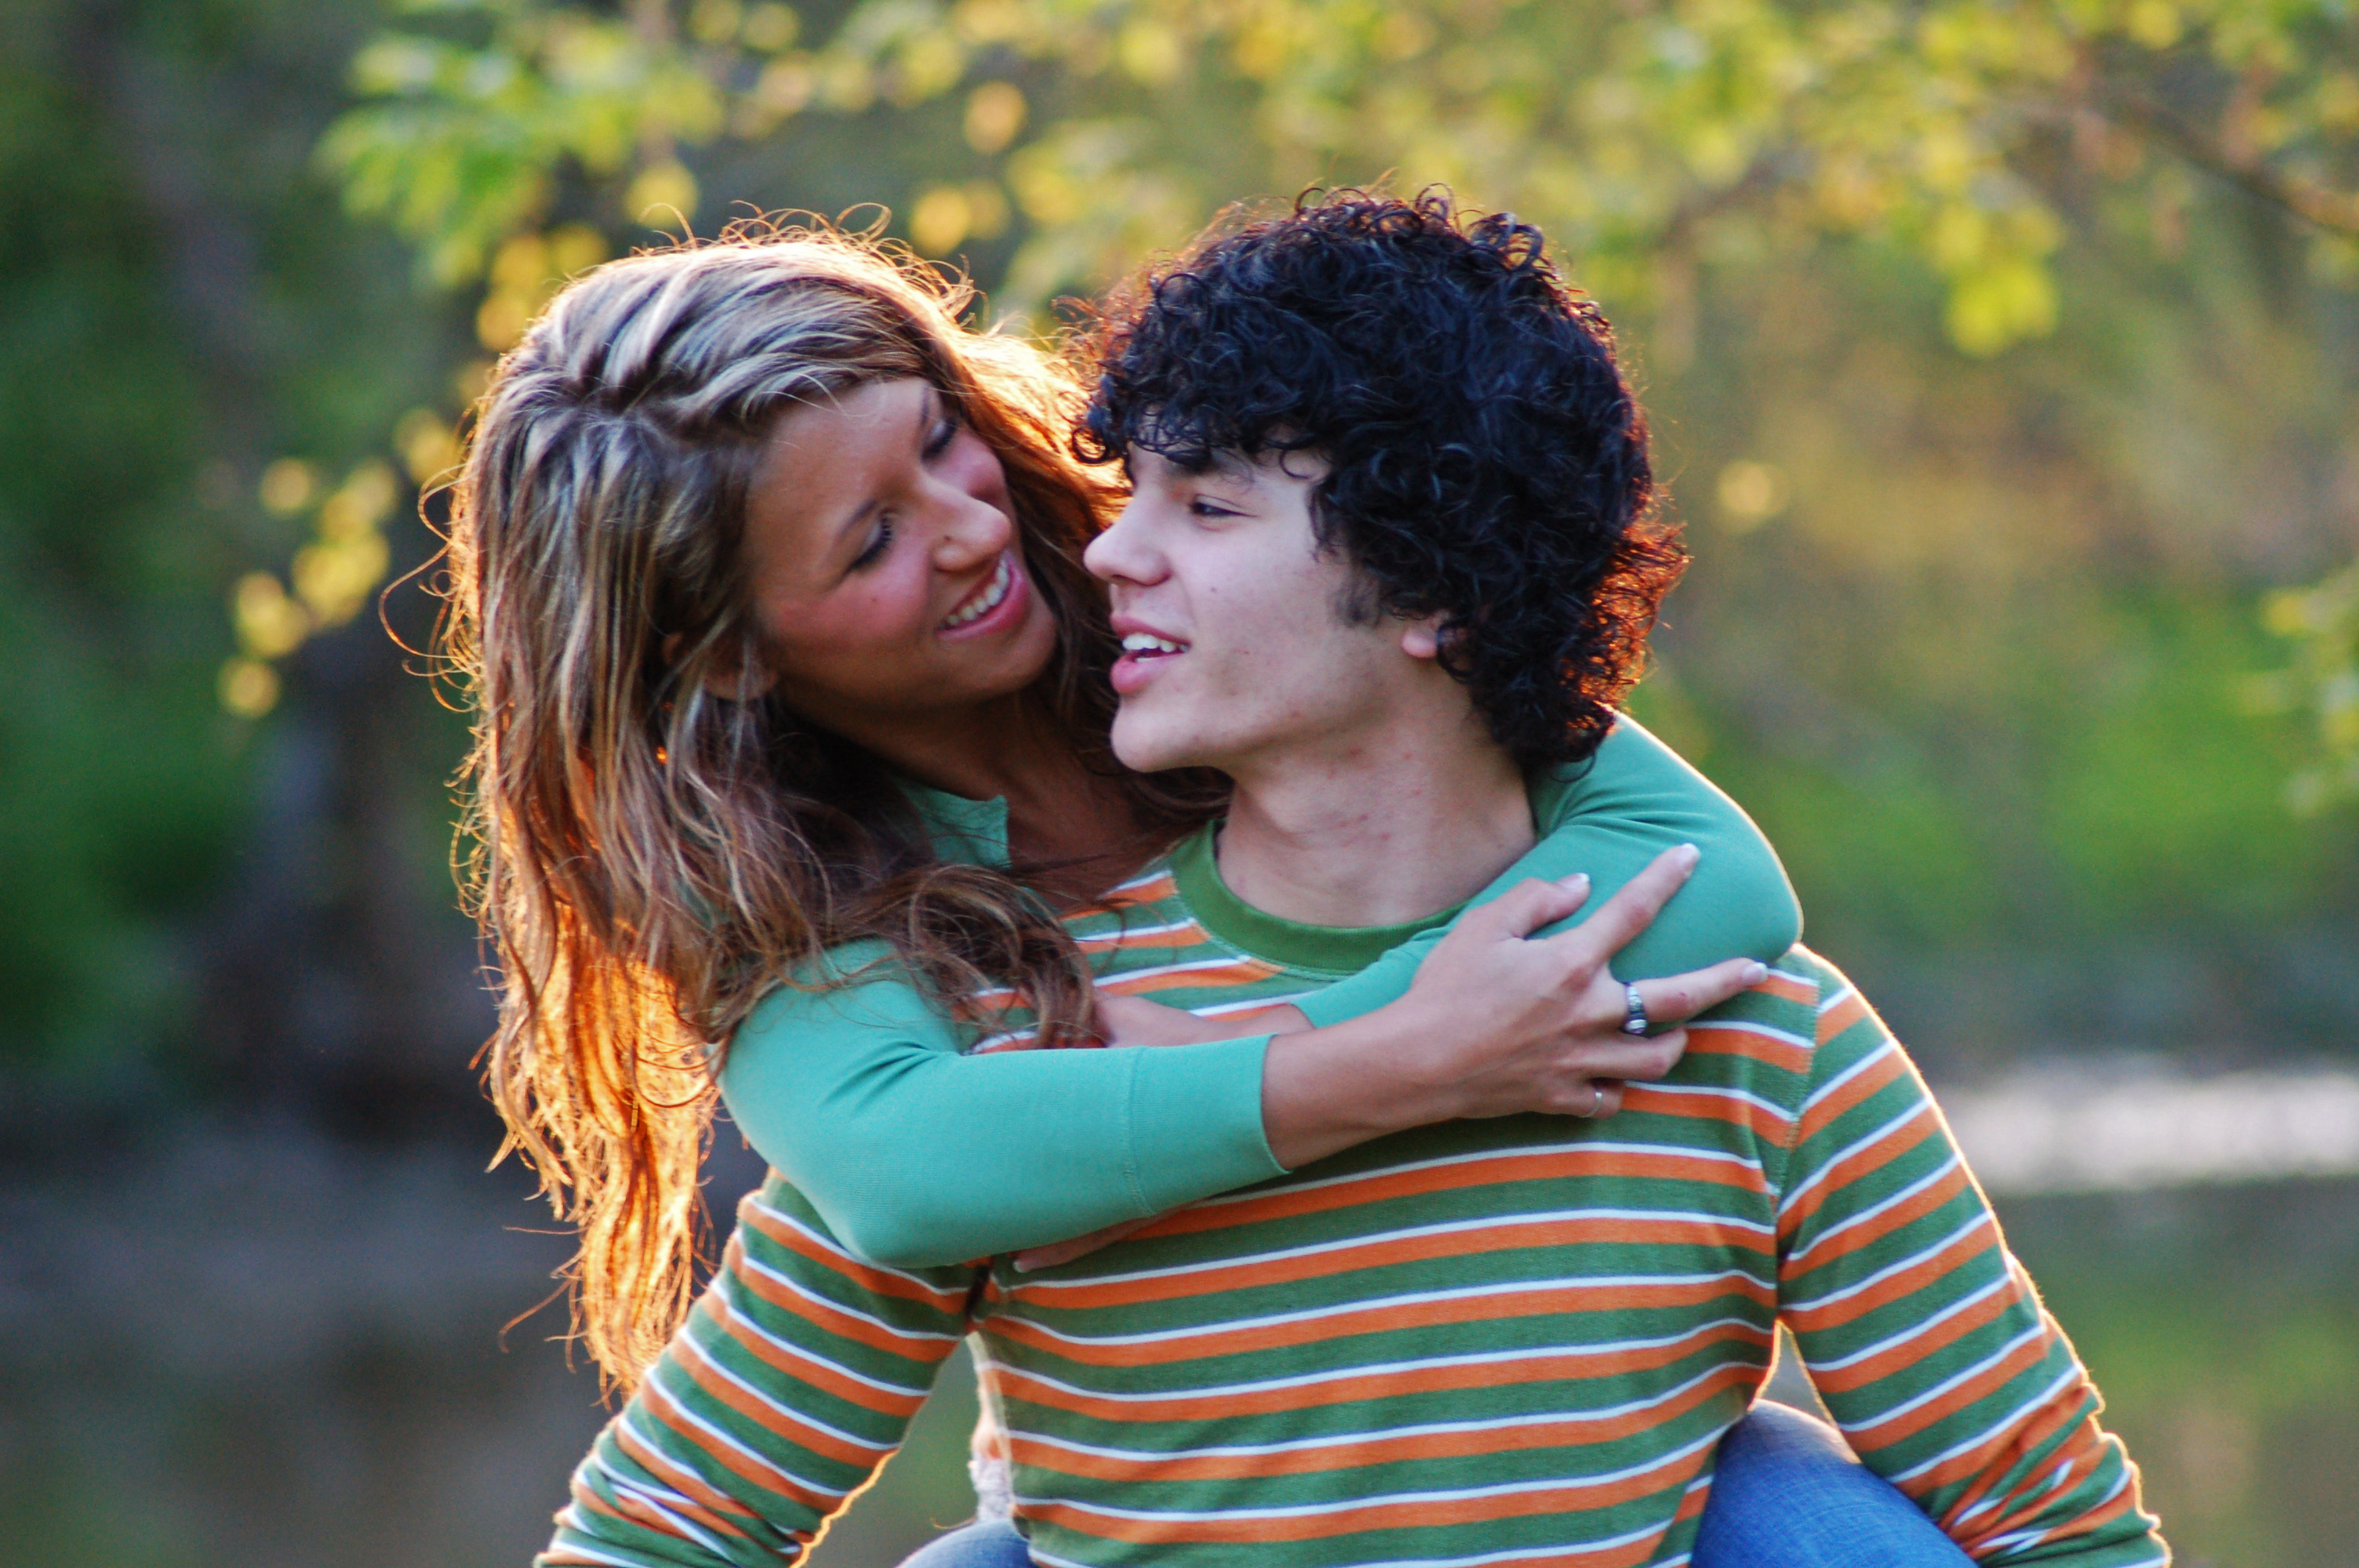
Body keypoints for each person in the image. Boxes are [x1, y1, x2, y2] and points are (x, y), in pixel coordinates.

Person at [520, 195, 2168, 1566]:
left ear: (1433, 592)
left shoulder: (1697, 1009)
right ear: (730, 651)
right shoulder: (964, 1031)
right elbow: (874, 1217)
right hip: (1119, 1468)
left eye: (944, 443)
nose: (1014, 532)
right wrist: (1377, 1060)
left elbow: (1713, 870)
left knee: (1799, 1516)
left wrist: (1403, 1031)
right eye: (868, 543)